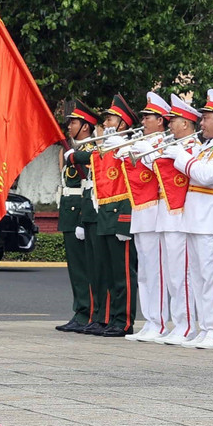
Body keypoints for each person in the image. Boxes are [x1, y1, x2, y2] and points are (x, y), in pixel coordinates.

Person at [167, 89, 213, 349]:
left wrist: (181, 158)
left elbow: (207, 175)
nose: (202, 122)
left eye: (207, 117)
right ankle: (205, 327)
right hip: (196, 216)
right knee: (197, 277)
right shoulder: (207, 147)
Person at [89, 94, 139, 337]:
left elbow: (133, 186)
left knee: (123, 275)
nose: (106, 123)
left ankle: (124, 321)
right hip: (106, 214)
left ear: (122, 123)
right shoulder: (107, 148)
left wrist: (126, 222)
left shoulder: (127, 148)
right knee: (109, 273)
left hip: (121, 215)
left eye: (110, 119)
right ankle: (111, 318)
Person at [156, 95, 202, 346]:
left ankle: (186, 326)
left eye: (173, 120)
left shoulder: (194, 148)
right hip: (166, 213)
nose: (170, 124)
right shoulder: (173, 145)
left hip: (182, 215)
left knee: (181, 274)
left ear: (185, 123)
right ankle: (178, 323)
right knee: (171, 274)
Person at [125, 92, 171, 342]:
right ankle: (151, 320)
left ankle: (161, 322)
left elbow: (162, 170)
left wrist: (146, 152)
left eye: (148, 117)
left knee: (157, 271)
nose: (143, 121)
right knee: (144, 271)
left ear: (161, 120)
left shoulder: (164, 144)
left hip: (156, 212)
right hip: (141, 212)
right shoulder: (141, 142)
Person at [56, 100, 100, 333]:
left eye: (73, 123)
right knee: (75, 268)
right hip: (68, 213)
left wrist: (83, 218)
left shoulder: (91, 150)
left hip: (80, 213)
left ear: (85, 126)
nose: (69, 127)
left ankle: (89, 312)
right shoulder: (73, 150)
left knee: (86, 268)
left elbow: (88, 187)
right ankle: (80, 310)